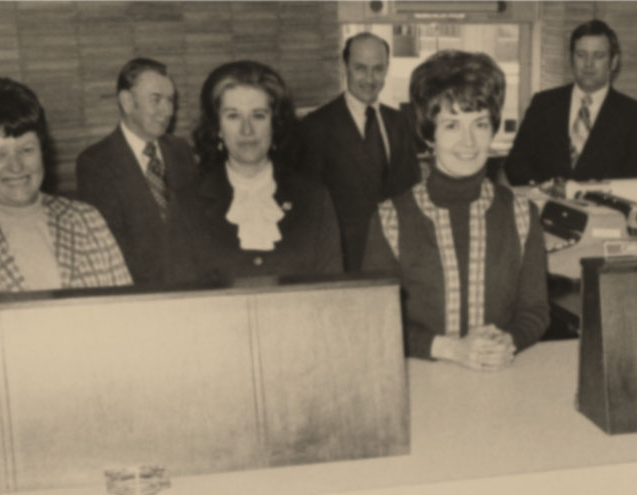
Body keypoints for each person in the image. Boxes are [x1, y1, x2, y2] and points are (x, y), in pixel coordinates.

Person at [363, 50, 549, 371]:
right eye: (451, 125)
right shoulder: (390, 218)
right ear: (428, 135)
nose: (468, 142)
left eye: (479, 124)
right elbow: (373, 320)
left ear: (492, 129)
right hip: (419, 379)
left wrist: (510, 340)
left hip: (499, 375)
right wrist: (452, 349)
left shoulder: (521, 213)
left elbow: (535, 311)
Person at [0, 77, 132, 296]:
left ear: (42, 150)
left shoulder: (86, 221)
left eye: (27, 150)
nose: (16, 166)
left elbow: (126, 317)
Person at [168, 61, 341, 284]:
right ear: (217, 127)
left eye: (258, 115)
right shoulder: (186, 207)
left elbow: (335, 300)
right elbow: (180, 309)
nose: (247, 130)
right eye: (233, 116)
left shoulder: (315, 200)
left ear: (275, 124)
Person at [299, 33, 421, 272]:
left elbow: (412, 190)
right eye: (360, 68)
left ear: (387, 69)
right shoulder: (316, 126)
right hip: (344, 260)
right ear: (344, 67)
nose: (369, 79)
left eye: (378, 69)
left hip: (398, 258)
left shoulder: (399, 121)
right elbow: (309, 206)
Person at [75, 58, 198, 286]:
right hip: (137, 294)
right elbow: (108, 248)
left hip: (191, 288)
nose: (168, 110)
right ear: (127, 101)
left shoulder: (181, 151)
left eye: (171, 100)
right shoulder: (96, 163)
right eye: (156, 100)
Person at [503, 19, 637, 185]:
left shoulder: (634, 116)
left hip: (605, 209)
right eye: (581, 55)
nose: (588, 64)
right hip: (546, 207)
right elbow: (515, 163)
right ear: (572, 59)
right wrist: (539, 189)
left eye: (598, 56)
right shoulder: (543, 104)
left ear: (613, 62)